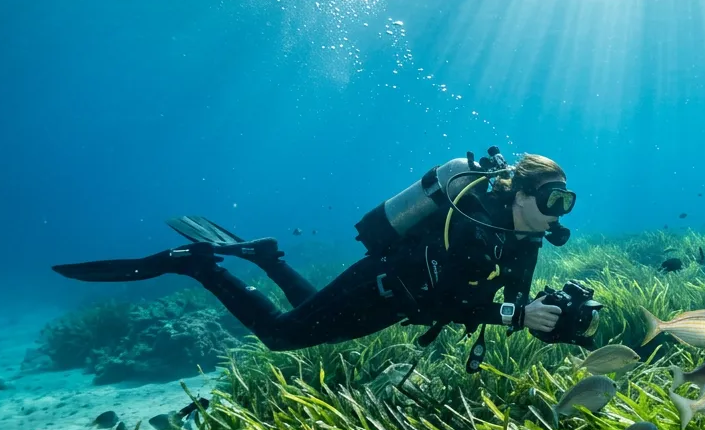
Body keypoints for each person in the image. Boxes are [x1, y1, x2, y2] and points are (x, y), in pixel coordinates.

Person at [52, 152, 577, 361]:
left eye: (566, 201)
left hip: (395, 301)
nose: (559, 212)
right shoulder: (471, 224)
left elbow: (509, 300)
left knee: (312, 321)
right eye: (553, 199)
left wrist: (544, 314)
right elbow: (442, 302)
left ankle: (267, 258)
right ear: (519, 195)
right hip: (382, 284)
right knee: (283, 336)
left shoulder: (524, 238)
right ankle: (198, 265)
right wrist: (516, 315)